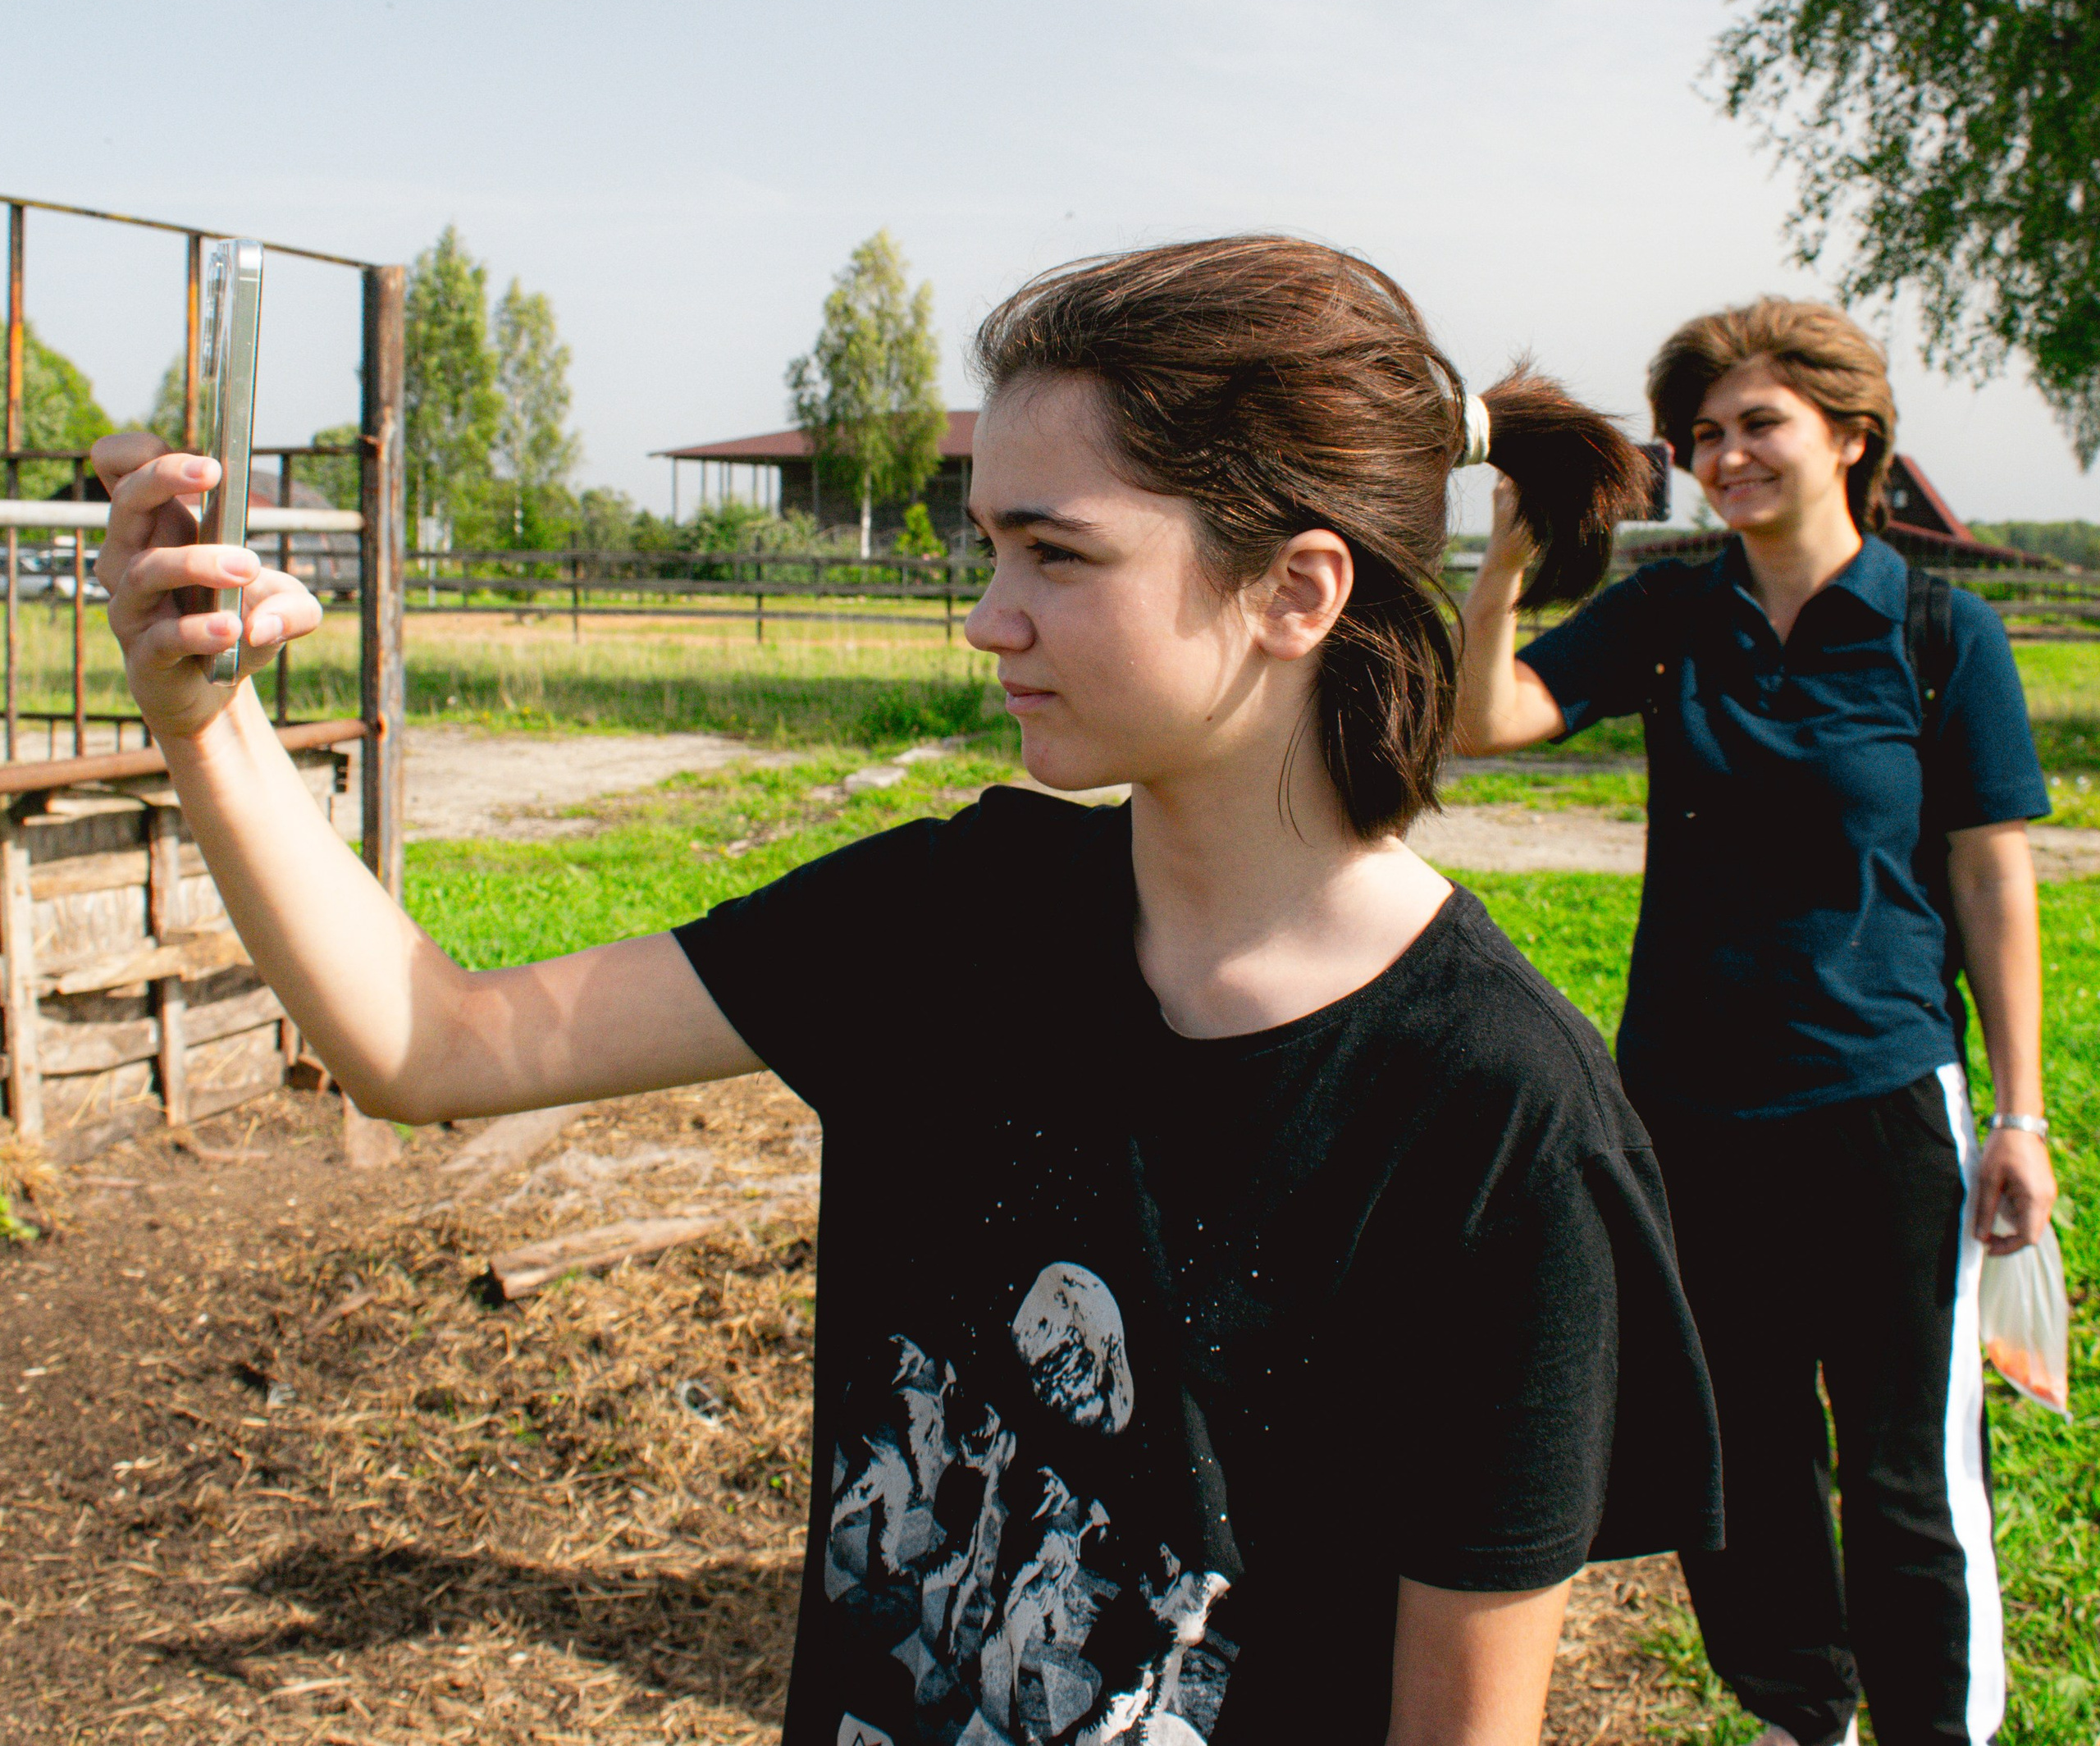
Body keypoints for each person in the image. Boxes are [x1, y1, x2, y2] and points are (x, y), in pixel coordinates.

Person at [91, 235, 1723, 1746]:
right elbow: (431, 1043)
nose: (986, 618)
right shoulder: (949, 922)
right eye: (990, 545)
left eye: (1055, 553)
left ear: (1295, 591)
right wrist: (205, 720)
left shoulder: (1499, 1120)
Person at [1455, 297, 2057, 1746]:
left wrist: (2023, 1116)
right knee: (1745, 1449)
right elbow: (1488, 723)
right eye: (1705, 434)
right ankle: (1805, 1715)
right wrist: (1504, 570)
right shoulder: (1673, 616)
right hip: (1690, 1110)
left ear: (1851, 436)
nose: (1726, 456)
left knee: (1909, 1468)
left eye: (1760, 424)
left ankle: (1935, 1727)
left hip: (1882, 1103)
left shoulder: (1938, 632)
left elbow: (1992, 879)